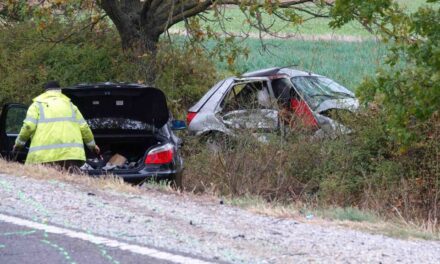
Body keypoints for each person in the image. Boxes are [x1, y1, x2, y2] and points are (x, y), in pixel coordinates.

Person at [13, 81, 100, 172]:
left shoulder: (37, 105)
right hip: (70, 155)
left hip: (43, 156)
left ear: (45, 92)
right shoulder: (71, 106)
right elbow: (84, 127)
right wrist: (93, 146)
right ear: (60, 91)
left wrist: (19, 144)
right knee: (70, 184)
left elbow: (28, 126)